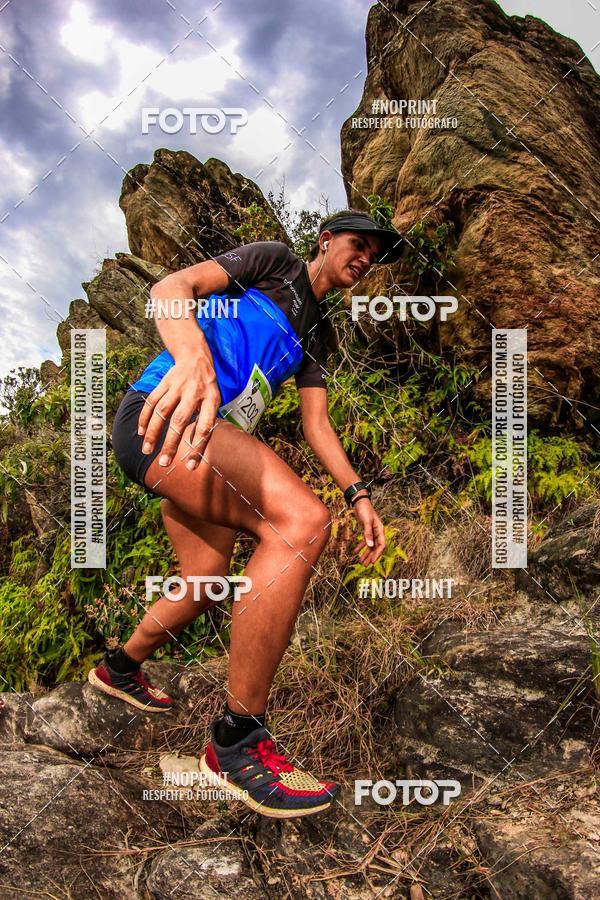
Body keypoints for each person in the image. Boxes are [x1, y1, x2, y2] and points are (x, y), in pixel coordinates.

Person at [88, 208, 403, 818]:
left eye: (373, 256)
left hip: (207, 445)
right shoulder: (273, 262)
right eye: (357, 245)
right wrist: (194, 361)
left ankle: (119, 668)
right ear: (326, 240)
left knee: (204, 581)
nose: (363, 259)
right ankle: (236, 742)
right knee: (302, 523)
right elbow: (169, 290)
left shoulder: (319, 336)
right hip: (163, 417)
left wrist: (360, 494)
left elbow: (318, 426)